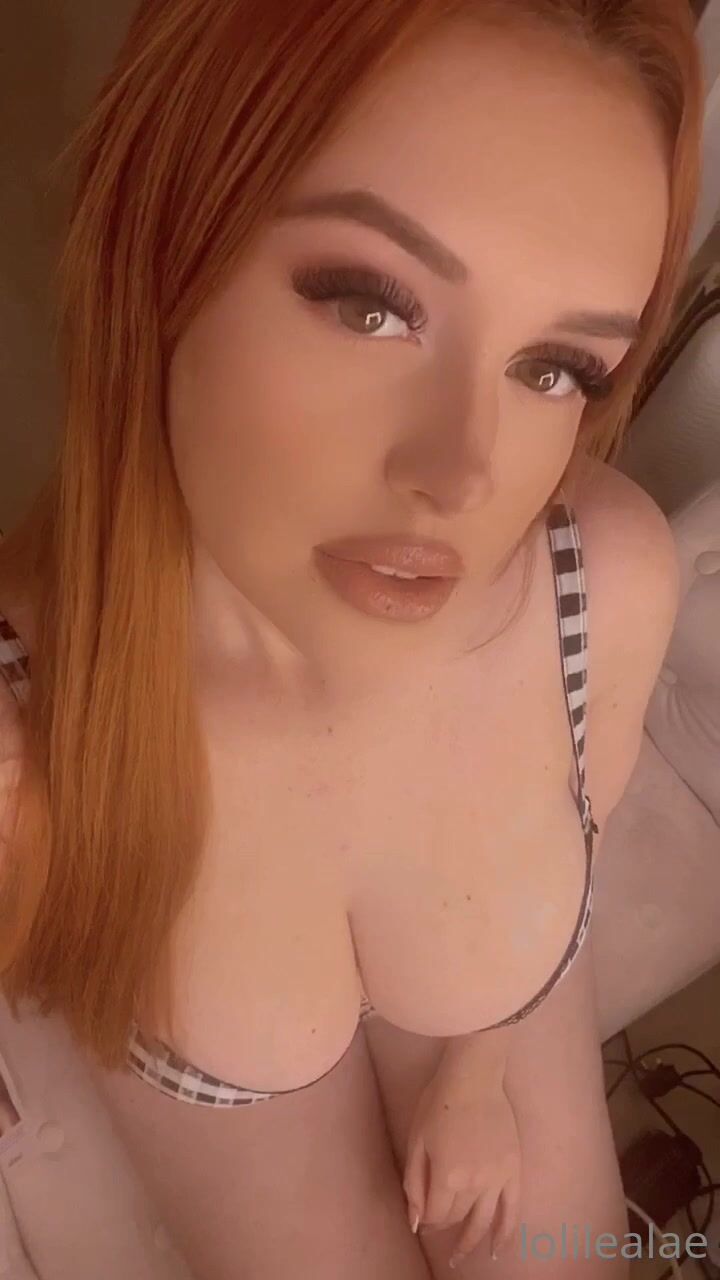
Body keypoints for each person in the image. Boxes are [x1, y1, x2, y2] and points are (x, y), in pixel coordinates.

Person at [0, 0, 704, 1276]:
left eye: (555, 367)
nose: (462, 474)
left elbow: (579, 828)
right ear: (161, 242)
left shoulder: (603, 583)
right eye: (371, 306)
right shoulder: (32, 730)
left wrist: (475, 1079)